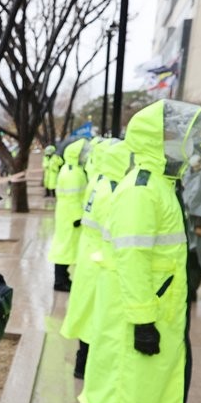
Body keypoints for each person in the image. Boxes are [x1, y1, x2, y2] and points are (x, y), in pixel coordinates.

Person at [79, 99, 201, 403]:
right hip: (137, 312)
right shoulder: (141, 191)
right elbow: (132, 260)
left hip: (153, 308)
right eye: (178, 137)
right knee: (120, 391)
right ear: (158, 141)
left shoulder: (157, 184)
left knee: (130, 390)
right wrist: (142, 322)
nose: (185, 145)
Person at [60, 138, 127, 379]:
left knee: (87, 311)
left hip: (90, 255)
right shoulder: (112, 190)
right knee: (94, 316)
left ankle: (83, 363)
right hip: (100, 258)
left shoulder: (98, 181)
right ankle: (85, 365)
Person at [48, 139, 89, 291]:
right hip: (70, 216)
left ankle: (62, 278)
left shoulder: (71, 169)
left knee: (65, 246)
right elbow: (73, 198)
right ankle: (60, 280)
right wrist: (78, 216)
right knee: (65, 248)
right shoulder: (73, 173)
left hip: (67, 215)